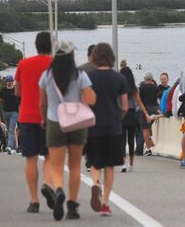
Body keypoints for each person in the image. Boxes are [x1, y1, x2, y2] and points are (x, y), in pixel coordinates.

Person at [39, 40, 97, 220]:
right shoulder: (80, 75)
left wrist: (44, 119)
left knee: (56, 165)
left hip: (55, 121)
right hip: (77, 124)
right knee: (74, 166)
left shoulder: (47, 76)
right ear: (72, 55)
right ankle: (72, 205)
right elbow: (90, 100)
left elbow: (42, 102)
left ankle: (58, 189)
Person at [86, 43, 128, 217]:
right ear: (111, 57)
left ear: (94, 57)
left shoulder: (88, 77)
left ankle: (96, 183)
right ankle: (105, 203)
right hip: (113, 127)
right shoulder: (119, 78)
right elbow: (125, 106)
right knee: (109, 166)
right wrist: (117, 119)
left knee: (95, 163)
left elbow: (84, 102)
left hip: (93, 127)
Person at [15, 31, 55, 214]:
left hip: (27, 116)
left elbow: (17, 92)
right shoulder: (55, 65)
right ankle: (47, 183)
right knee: (49, 156)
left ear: (36, 45)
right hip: (49, 116)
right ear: (51, 44)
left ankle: (34, 201)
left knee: (30, 158)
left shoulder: (23, 64)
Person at [119, 66, 151, 172]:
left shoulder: (118, 87)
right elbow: (139, 102)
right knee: (132, 140)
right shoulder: (134, 88)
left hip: (122, 114)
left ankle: (123, 163)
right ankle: (131, 164)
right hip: (132, 115)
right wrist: (146, 114)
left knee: (122, 140)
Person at [0, 75, 20, 155]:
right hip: (5, 112)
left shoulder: (16, 90)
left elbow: (21, 101)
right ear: (6, 82)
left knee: (11, 129)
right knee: (9, 130)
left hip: (14, 112)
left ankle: (9, 146)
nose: (9, 82)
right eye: (7, 80)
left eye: (10, 80)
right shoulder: (3, 90)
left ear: (13, 81)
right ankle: (14, 148)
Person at [138, 72, 160, 156]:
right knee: (149, 126)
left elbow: (140, 99)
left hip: (146, 109)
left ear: (144, 78)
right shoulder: (156, 87)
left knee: (145, 129)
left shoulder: (142, 88)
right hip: (155, 109)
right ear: (152, 79)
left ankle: (148, 148)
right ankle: (151, 144)